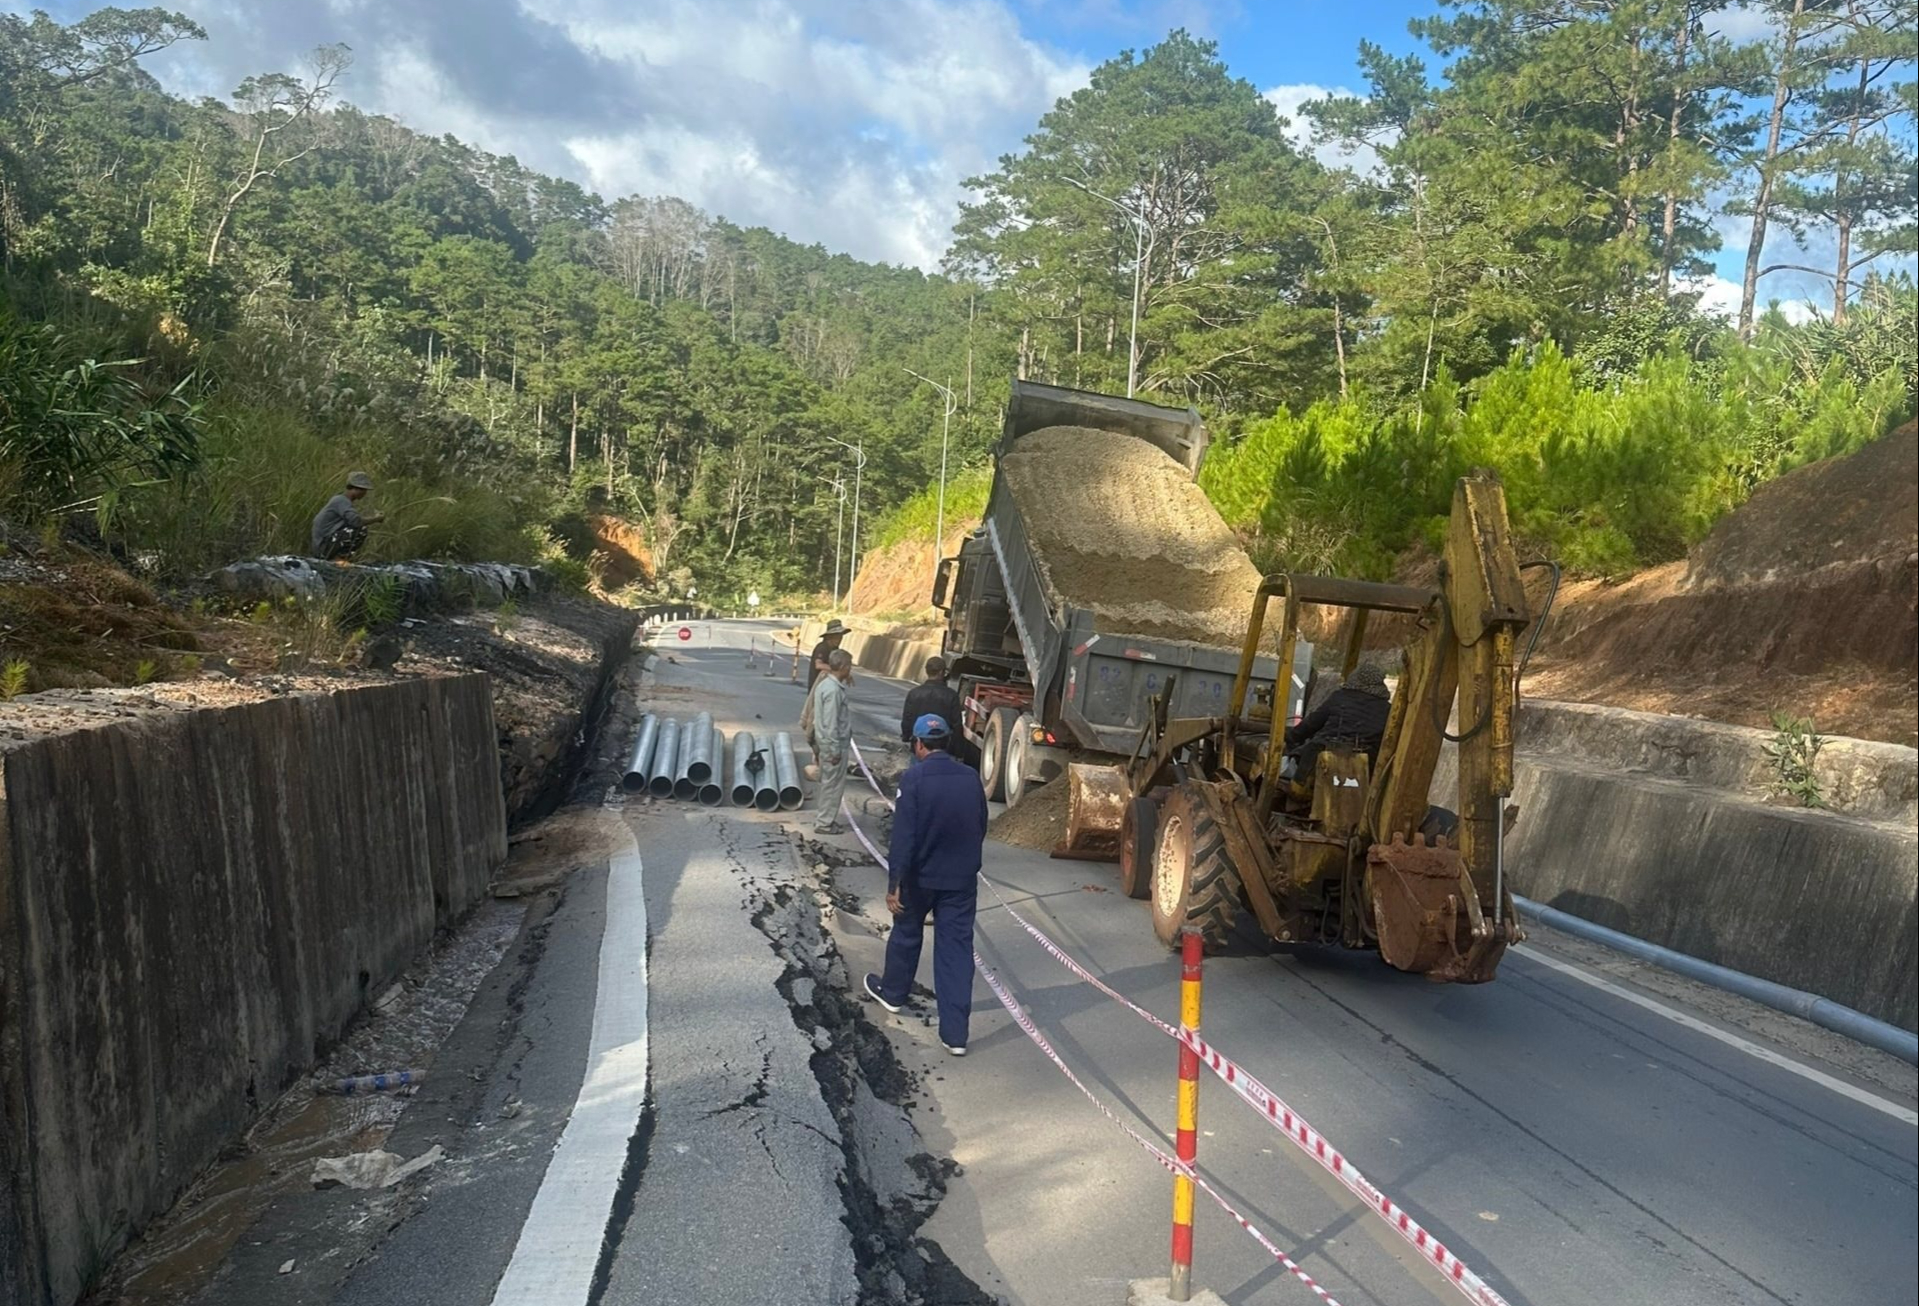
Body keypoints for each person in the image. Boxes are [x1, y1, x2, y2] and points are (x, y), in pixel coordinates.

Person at [862, 714, 988, 1055]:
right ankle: (955, 1035)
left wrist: (895, 882)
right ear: (946, 742)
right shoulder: (970, 778)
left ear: (919, 745)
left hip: (920, 877)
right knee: (956, 951)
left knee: (906, 932)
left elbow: (904, 836)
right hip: (960, 880)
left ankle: (893, 993)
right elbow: (981, 825)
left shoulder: (915, 778)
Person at [1282, 661, 1392, 789]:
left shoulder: (1340, 697)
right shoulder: (1387, 709)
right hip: (1365, 771)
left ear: (1355, 677)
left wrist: (1290, 737)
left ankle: (1298, 787)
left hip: (1324, 761)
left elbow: (1312, 723)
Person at [898, 655, 981, 771]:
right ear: (942, 672)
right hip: (943, 746)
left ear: (926, 671)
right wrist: (959, 750)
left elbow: (907, 718)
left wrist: (907, 737)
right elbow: (956, 724)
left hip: (920, 744)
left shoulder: (914, 693)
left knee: (916, 775)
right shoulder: (951, 695)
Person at [811, 648, 855, 835]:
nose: (850, 670)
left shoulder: (824, 685)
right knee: (833, 786)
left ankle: (825, 819)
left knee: (828, 783)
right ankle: (825, 823)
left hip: (826, 744)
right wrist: (835, 749)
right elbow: (830, 723)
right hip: (833, 745)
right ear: (843, 667)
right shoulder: (834, 691)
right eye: (850, 666)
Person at [310, 472, 384, 560]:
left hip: (325, 543)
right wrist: (377, 518)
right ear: (356, 489)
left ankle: (339, 558)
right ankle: (338, 558)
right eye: (364, 490)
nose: (365, 493)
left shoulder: (341, 501)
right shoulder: (341, 501)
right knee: (360, 530)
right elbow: (356, 521)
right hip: (323, 545)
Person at [807, 619, 849, 691]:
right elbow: (819, 665)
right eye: (836, 637)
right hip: (818, 686)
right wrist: (839, 670)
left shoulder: (835, 649)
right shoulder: (822, 647)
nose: (839, 639)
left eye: (840, 637)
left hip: (829, 685)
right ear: (830, 636)